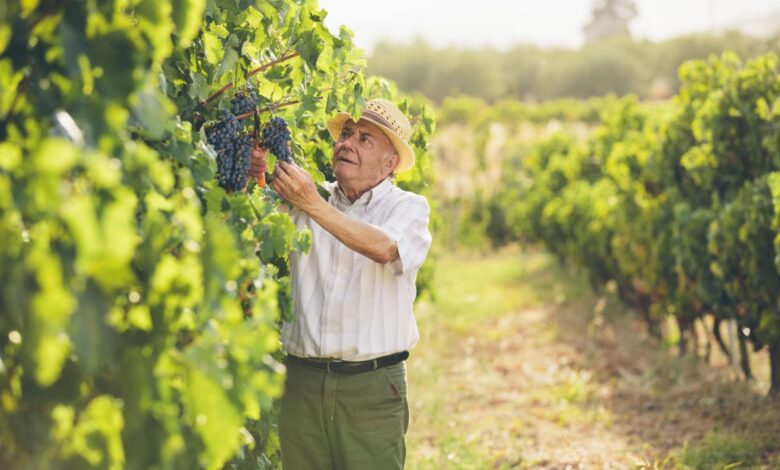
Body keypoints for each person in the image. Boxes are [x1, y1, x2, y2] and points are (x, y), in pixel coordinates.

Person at [254, 98, 432, 469]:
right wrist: (252, 179)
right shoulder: (303, 198)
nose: (347, 143)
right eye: (346, 134)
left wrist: (313, 206)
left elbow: (385, 248)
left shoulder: (408, 208)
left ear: (390, 163)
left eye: (365, 138)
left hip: (372, 388)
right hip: (302, 383)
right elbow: (249, 225)